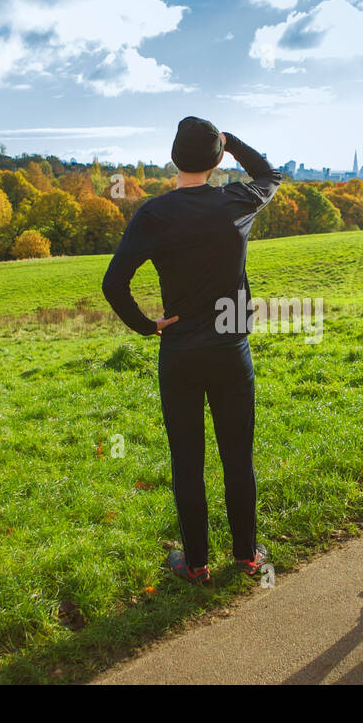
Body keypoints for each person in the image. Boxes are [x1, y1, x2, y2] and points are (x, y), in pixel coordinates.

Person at [102, 117, 280, 586]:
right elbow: (270, 174)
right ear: (218, 158)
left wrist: (149, 326)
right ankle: (246, 555)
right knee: (237, 457)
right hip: (230, 351)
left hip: (179, 352)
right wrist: (232, 142)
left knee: (187, 461)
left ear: (174, 158)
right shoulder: (237, 200)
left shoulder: (154, 214)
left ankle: (196, 564)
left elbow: (113, 283)